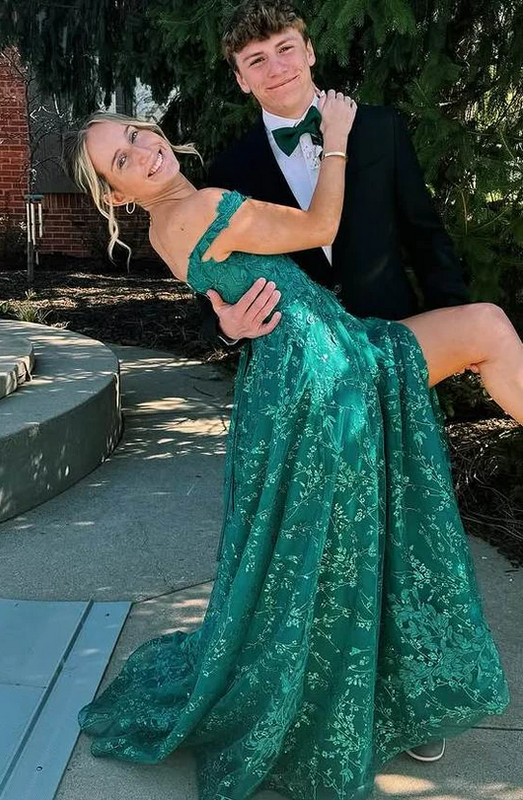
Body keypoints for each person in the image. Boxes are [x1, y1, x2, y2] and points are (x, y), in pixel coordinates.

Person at [63, 101, 518, 800]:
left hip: (294, 374)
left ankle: (375, 691)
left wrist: (227, 320)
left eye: (134, 133)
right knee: (483, 328)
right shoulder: (203, 204)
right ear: (116, 195)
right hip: (324, 372)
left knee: (327, 551)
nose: (144, 150)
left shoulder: (166, 223)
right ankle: (378, 696)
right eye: (121, 160)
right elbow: (320, 227)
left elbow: (229, 284)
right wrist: (334, 138)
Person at [203, 0, 470, 351]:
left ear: (309, 52)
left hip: (394, 340)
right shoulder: (228, 171)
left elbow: (426, 238)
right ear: (241, 80)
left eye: (285, 49)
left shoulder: (380, 129)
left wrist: (457, 323)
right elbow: (213, 282)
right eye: (257, 60)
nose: (277, 68)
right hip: (300, 360)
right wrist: (227, 327)